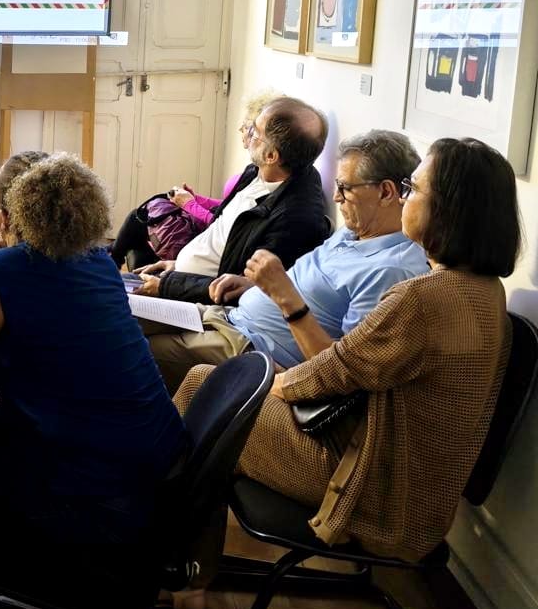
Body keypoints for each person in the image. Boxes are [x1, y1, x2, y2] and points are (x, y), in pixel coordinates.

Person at [171, 137, 520, 609]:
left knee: (204, 386)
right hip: (404, 486)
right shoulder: (485, 292)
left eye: (414, 189)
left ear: (449, 210)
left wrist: (260, 383)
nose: (406, 198)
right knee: (218, 390)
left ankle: (174, 568)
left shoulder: (423, 298)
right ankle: (186, 571)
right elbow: (349, 372)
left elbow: (331, 374)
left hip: (369, 489)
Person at [0, 152, 187, 606]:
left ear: (4, 216)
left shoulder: (8, 272)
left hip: (100, 514)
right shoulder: (99, 262)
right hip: (152, 485)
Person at [143, 130, 428, 391]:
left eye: (345, 188)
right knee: (125, 316)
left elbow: (340, 371)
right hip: (228, 317)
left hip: (252, 349)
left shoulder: (390, 271)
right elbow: (306, 288)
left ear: (386, 192)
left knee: (132, 352)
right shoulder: (356, 231)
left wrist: (283, 295)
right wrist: (255, 286)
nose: (335, 197)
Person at [134, 96, 332, 303]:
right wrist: (177, 265)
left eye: (254, 131)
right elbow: (222, 232)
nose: (247, 134)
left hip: (199, 299)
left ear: (271, 156)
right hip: (181, 278)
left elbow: (239, 289)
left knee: (116, 305)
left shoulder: (293, 221)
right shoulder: (257, 172)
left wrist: (168, 286)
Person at [109, 89, 283, 270]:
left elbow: (226, 228)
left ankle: (112, 260)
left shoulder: (267, 186)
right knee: (141, 230)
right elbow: (227, 207)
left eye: (247, 126)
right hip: (202, 241)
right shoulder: (254, 172)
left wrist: (190, 205)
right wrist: (198, 199)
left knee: (140, 222)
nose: (241, 129)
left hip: (207, 245)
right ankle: (114, 260)